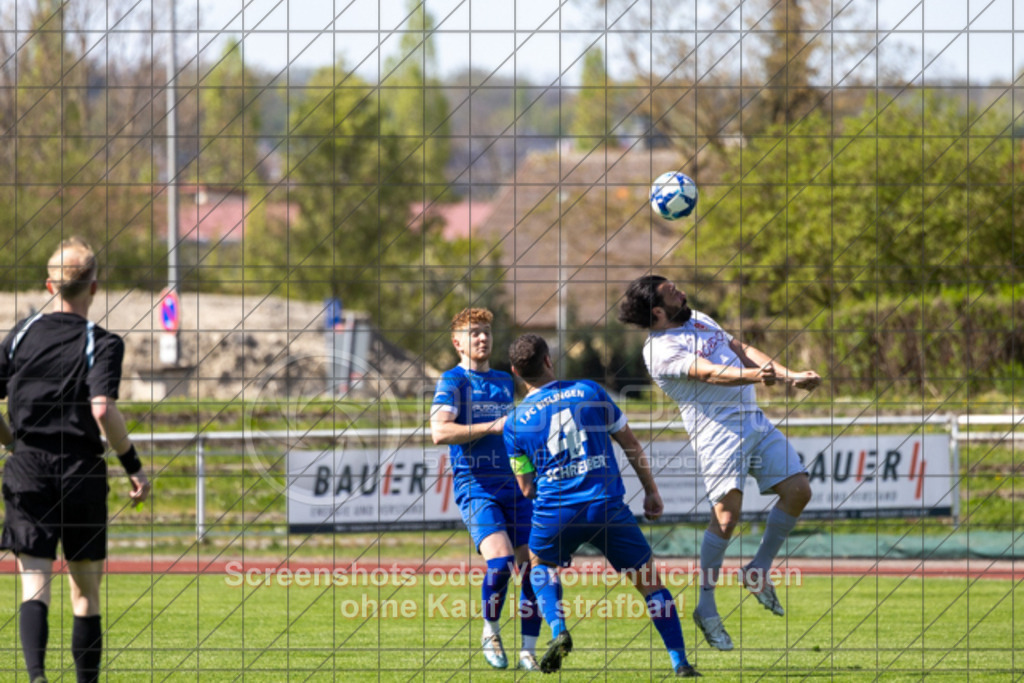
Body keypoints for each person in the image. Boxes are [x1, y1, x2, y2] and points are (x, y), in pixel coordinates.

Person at [618, 274, 820, 652]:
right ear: (658, 312)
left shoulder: (697, 318)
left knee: (798, 491)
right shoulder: (658, 350)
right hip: (717, 434)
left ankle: (757, 569)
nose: (680, 290)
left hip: (753, 420)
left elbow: (739, 347)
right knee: (726, 519)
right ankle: (706, 606)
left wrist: (789, 376)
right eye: (671, 291)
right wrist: (755, 377)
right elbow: (709, 373)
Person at [503, 334, 700, 678]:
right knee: (650, 582)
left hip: (557, 509)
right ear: (548, 361)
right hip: (606, 505)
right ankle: (680, 662)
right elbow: (630, 443)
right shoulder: (589, 391)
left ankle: (558, 629)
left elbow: (525, 486)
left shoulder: (514, 423)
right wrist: (651, 491)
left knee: (539, 565)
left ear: (516, 372)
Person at [0, 237, 151, 683]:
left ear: (50, 286)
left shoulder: (21, 335)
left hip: (28, 468)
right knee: (86, 593)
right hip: (81, 471)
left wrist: (13, 444)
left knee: (35, 587)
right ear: (94, 288)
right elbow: (102, 408)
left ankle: (37, 679)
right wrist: (134, 467)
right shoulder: (101, 342)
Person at [429, 308, 541, 671]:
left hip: (514, 486)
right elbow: (440, 432)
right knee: (501, 563)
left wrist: (528, 473)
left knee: (534, 569)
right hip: (476, 486)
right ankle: (490, 631)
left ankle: (528, 651)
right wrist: (493, 425)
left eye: (487, 332)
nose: (482, 338)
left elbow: (514, 432)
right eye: (474, 332)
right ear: (457, 341)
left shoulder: (504, 381)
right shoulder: (453, 381)